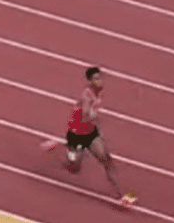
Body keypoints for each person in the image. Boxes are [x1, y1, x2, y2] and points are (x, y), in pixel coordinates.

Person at [39, 67, 137, 209]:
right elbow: (85, 116)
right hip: (76, 135)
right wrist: (94, 116)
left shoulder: (99, 92)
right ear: (90, 81)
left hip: (90, 133)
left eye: (101, 78)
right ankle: (60, 146)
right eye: (96, 79)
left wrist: (97, 127)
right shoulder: (87, 95)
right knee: (74, 169)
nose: (100, 81)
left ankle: (121, 196)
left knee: (106, 159)